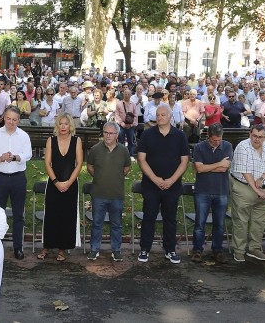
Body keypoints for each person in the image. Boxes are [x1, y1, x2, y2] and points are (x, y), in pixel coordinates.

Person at [136, 103, 189, 263]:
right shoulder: (147, 134)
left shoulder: (180, 136)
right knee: (149, 217)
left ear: (170, 116)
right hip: (151, 185)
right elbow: (141, 159)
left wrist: (171, 180)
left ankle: (170, 250)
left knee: (170, 218)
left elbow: (185, 161)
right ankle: (145, 249)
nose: (159, 117)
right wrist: (156, 179)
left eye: (163, 115)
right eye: (157, 115)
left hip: (172, 186)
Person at [230, 125, 265, 262]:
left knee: (260, 220)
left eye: (260, 137)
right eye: (254, 136)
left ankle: (254, 248)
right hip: (244, 187)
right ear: (250, 134)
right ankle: (239, 250)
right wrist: (257, 190)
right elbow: (245, 172)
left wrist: (264, 176)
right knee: (241, 220)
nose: (257, 139)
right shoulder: (242, 147)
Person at [0, 106, 32, 260]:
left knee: (19, 215)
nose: (11, 122)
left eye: (14, 119)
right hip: (0, 178)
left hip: (18, 178)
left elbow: (28, 154)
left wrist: (17, 157)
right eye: (8, 118)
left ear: (19, 120)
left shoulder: (24, 136)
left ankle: (18, 247)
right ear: (4, 118)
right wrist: (0, 158)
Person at [38, 113, 83, 261]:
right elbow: (47, 164)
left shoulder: (77, 141)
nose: (63, 126)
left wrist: (69, 183)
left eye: (66, 123)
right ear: (57, 125)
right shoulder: (51, 140)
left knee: (66, 217)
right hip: (53, 184)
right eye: (61, 123)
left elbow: (79, 164)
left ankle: (62, 250)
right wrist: (56, 182)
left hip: (71, 185)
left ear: (71, 126)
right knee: (51, 216)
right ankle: (46, 247)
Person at [86, 121, 131, 262]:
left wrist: (115, 178)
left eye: (111, 133)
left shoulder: (124, 150)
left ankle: (116, 250)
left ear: (117, 135)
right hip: (98, 194)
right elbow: (90, 166)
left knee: (116, 224)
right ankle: (94, 249)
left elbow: (127, 168)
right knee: (97, 223)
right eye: (105, 132)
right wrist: (99, 177)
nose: (108, 135)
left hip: (116, 195)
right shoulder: (95, 149)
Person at [191, 123, 233, 263]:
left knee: (219, 224)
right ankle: (197, 250)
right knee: (199, 223)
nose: (217, 142)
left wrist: (207, 167)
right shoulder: (199, 147)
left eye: (219, 139)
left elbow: (224, 169)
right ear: (208, 137)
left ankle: (218, 250)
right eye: (214, 139)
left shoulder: (227, 146)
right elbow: (199, 169)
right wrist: (218, 163)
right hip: (202, 190)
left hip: (221, 190)